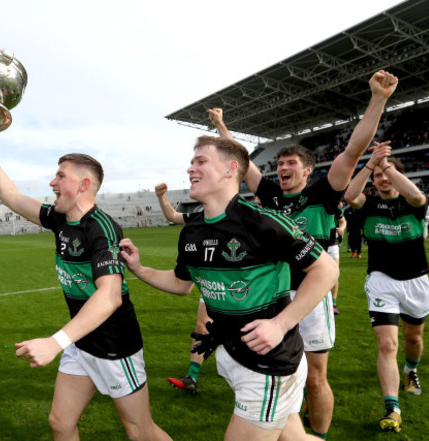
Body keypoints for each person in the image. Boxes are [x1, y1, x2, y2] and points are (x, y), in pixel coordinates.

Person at [209, 69, 398, 439]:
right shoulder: (270, 195)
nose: (282, 169)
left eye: (291, 164)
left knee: (316, 377)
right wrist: (221, 126)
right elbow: (240, 159)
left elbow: (354, 150)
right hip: (273, 297)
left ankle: (319, 435)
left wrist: (378, 99)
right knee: (274, 377)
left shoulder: (324, 193)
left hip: (311, 297)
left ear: (308, 170)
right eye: (279, 164)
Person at [121, 135, 339, 441]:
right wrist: (140, 269)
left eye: (201, 161)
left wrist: (281, 323)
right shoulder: (192, 231)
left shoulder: (263, 222)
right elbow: (181, 284)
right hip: (231, 354)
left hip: (269, 362)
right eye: (191, 162)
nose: (190, 169)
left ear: (230, 169)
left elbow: (326, 269)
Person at [0, 121, 171, 441]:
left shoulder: (102, 228)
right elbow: (10, 196)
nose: (52, 182)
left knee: (140, 431)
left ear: (83, 184)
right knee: (60, 423)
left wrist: (55, 342)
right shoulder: (58, 218)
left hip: (115, 346)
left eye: (61, 175)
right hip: (81, 341)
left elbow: (109, 297)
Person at [344, 143, 429, 433]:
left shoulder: (413, 203)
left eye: (388, 174)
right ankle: (392, 407)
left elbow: (418, 195)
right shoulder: (368, 204)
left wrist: (388, 166)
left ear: (398, 176)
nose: (382, 179)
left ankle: (411, 370)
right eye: (378, 176)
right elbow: (349, 195)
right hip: (381, 280)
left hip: (417, 280)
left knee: (414, 338)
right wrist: (371, 164)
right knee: (386, 344)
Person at [155, 182, 210, 395]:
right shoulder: (198, 216)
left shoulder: (243, 216)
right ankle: (192, 377)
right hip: (211, 285)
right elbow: (173, 217)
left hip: (243, 288)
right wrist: (161, 197)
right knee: (201, 327)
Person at [329, 205, 346, 316]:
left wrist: (341, 229)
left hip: (332, 245)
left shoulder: (334, 207)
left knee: (334, 275)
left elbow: (343, 221)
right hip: (317, 245)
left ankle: (333, 305)